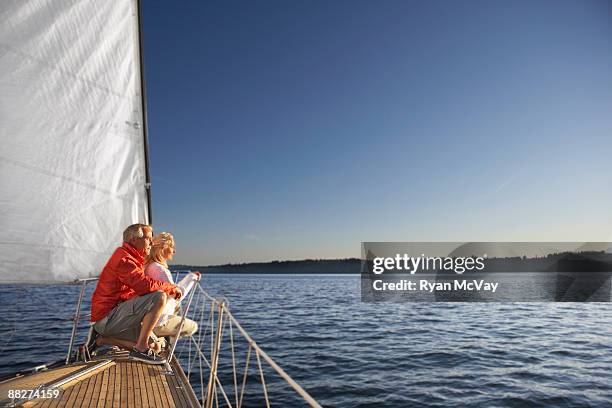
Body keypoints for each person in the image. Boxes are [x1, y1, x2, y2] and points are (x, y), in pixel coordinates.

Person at [90, 224, 183, 364]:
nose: (152, 243)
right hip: (107, 319)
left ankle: (101, 340)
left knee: (155, 346)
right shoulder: (124, 259)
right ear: (133, 240)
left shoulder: (134, 259)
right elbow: (144, 285)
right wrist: (170, 288)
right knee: (159, 296)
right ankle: (140, 349)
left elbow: (134, 291)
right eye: (148, 239)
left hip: (114, 318)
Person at [144, 232, 199, 342]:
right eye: (172, 247)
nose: (174, 251)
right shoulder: (161, 270)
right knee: (193, 327)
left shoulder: (148, 267)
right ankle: (158, 341)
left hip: (145, 319)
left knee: (176, 307)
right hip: (157, 324)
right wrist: (192, 278)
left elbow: (173, 289)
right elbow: (178, 295)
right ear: (164, 248)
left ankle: (159, 340)